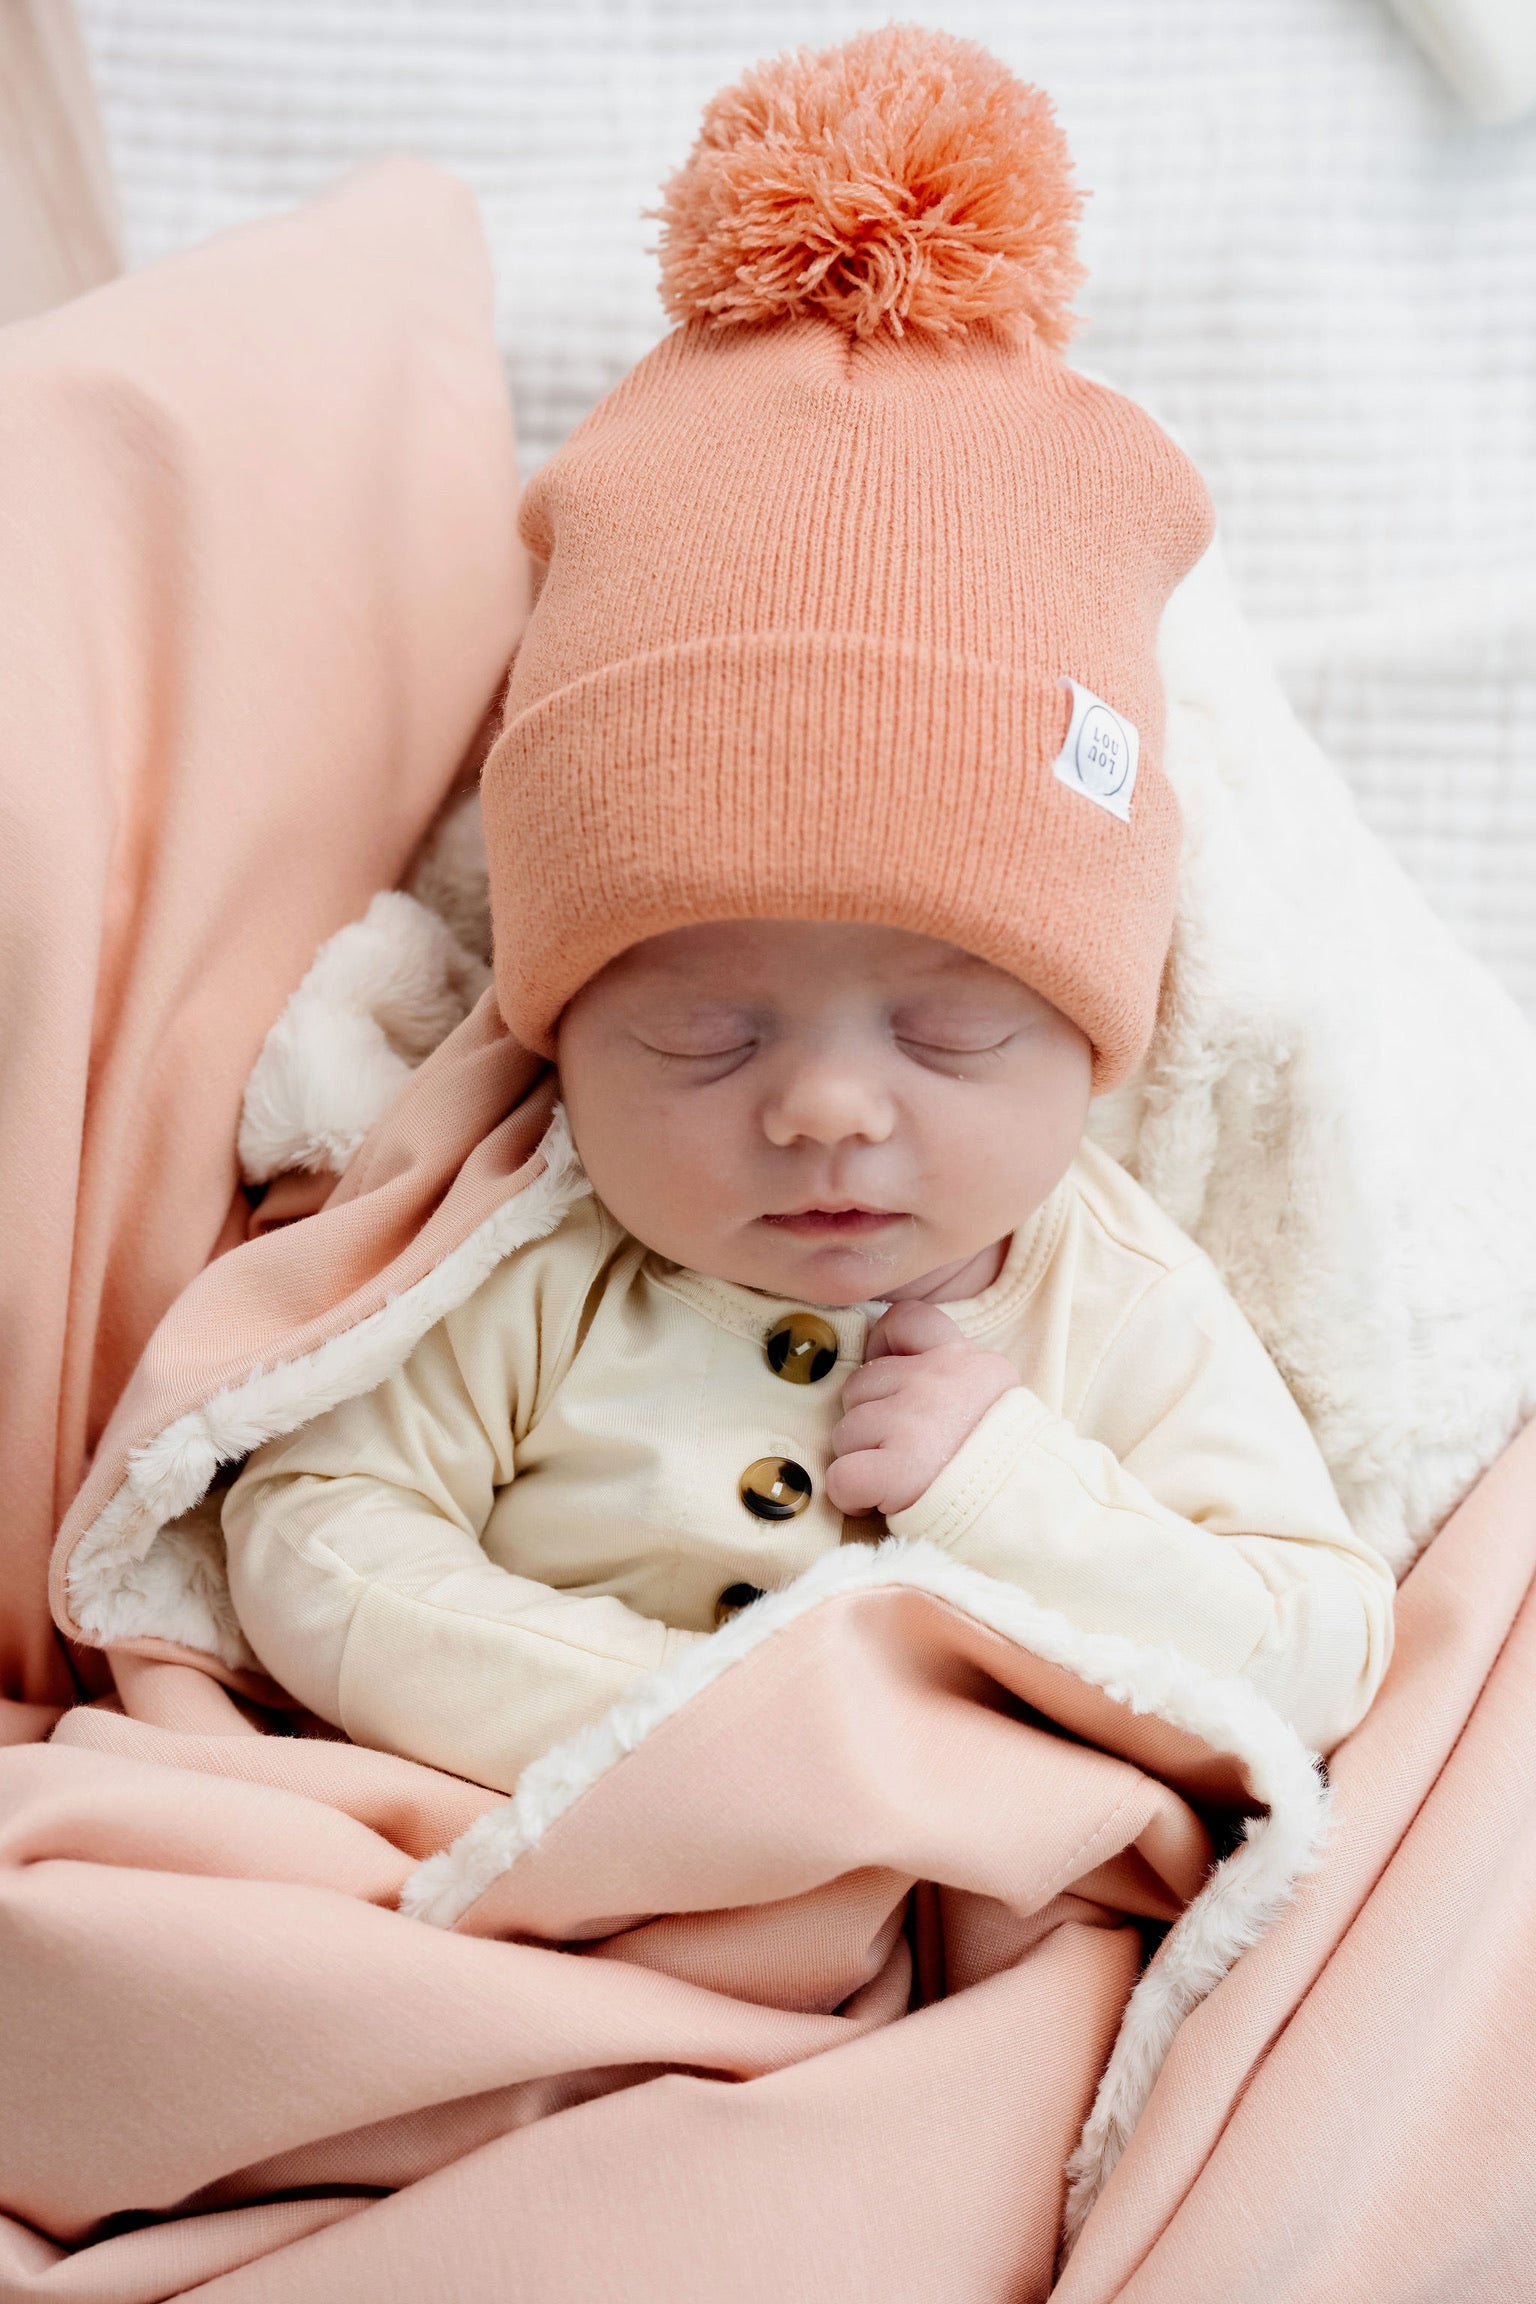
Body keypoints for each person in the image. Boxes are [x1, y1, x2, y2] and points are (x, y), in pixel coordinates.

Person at [221, 25, 1395, 1795]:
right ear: (560, 1021)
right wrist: (654, 1723)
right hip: (545, 1869)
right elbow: (315, 1536)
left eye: (951, 1026)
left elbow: (1318, 1644)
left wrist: (1017, 1490)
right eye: (700, 1028)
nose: (828, 1108)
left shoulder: (1110, 1304)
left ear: (1092, 1028)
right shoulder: (538, 1256)